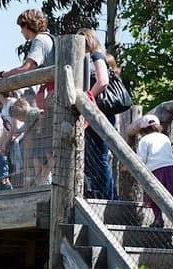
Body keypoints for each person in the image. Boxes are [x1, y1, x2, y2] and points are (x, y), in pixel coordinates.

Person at [0, 9, 55, 109]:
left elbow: (25, 69)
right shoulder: (49, 38)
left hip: (53, 97)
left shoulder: (40, 40)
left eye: (22, 27)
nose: (21, 31)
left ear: (28, 25)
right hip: (53, 95)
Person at [78, 28, 117, 200]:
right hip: (94, 113)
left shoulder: (96, 56)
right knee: (93, 158)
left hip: (99, 113)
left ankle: (108, 198)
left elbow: (103, 81)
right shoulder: (90, 59)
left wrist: (88, 98)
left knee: (100, 158)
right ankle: (102, 195)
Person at [135, 114, 173, 227]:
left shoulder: (144, 140)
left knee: (155, 195)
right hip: (171, 168)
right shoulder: (164, 137)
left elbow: (141, 159)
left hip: (155, 170)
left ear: (142, 129)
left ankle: (158, 219)